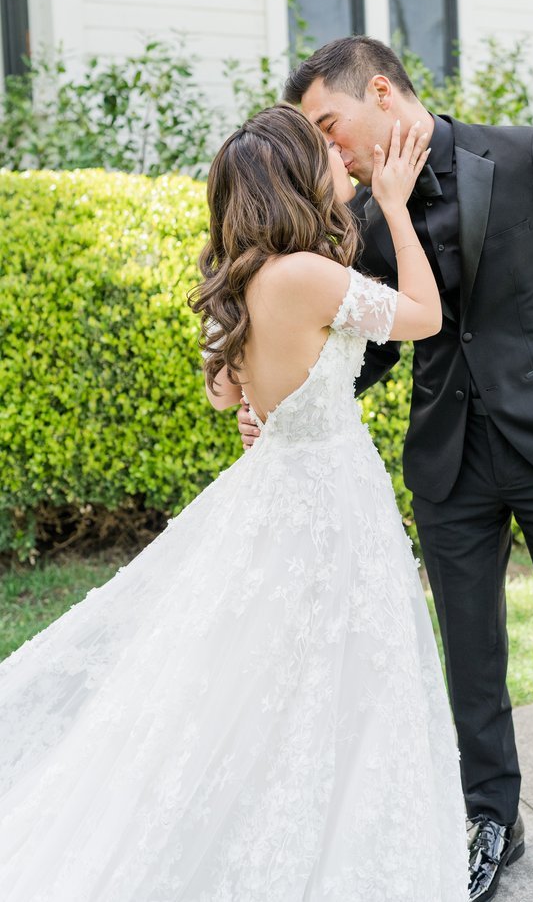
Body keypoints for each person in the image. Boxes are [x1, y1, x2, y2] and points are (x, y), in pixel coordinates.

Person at [0, 103, 468, 901]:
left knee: (280, 681)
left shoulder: (250, 276)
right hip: (326, 499)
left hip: (285, 491)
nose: (336, 155)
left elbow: (226, 395)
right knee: (338, 675)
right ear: (293, 173)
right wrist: (392, 199)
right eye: (322, 147)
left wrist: (267, 405)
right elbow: (422, 317)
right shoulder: (303, 274)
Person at [238, 37, 533, 902]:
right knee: (471, 654)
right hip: (448, 464)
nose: (326, 150)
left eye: (328, 125)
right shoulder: (360, 215)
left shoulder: (528, 156)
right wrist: (284, 394)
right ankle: (493, 817)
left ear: (381, 91)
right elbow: (370, 342)